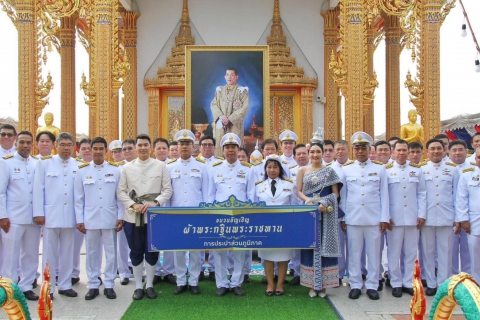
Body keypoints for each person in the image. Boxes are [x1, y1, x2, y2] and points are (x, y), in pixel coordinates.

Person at [117, 134, 173, 300]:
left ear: (150, 147)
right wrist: (133, 204)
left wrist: (155, 203)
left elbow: (167, 190)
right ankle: (139, 286)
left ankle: (149, 285)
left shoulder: (160, 166)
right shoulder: (127, 168)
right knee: (135, 251)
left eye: (145, 145)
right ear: (135, 147)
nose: (142, 148)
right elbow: (121, 191)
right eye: (139, 145)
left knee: (152, 251)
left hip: (154, 216)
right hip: (132, 216)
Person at [33, 132, 83, 299]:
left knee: (68, 252)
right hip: (51, 215)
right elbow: (38, 190)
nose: (66, 148)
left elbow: (80, 194)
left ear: (73, 147)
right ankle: (48, 287)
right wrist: (38, 213)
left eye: (69, 145)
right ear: (56, 146)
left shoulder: (79, 165)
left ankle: (65, 284)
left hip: (70, 216)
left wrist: (80, 217)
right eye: (63, 145)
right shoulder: (45, 163)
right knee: (49, 253)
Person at [341, 132, 390, 300]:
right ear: (353, 150)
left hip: (373, 218)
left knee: (374, 253)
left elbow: (384, 195)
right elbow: (344, 196)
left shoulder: (379, 168)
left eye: (364, 148)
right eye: (357, 148)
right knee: (354, 253)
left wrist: (384, 218)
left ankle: (372, 285)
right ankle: (355, 284)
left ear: (370, 150)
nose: (360, 151)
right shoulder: (346, 169)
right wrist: (343, 218)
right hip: (353, 218)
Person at [74, 137, 123, 300]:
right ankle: (93, 284)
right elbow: (78, 198)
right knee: (92, 253)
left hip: (110, 217)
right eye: (94, 148)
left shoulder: (115, 170)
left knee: (111, 253)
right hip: (90, 218)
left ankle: (109, 284)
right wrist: (79, 219)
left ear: (105, 150)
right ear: (90, 150)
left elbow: (119, 196)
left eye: (101, 148)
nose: (97, 151)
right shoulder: (82, 171)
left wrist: (120, 216)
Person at [207, 133, 255, 297]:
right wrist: (211, 214)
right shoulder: (214, 169)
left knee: (239, 251)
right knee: (219, 251)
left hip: (240, 216)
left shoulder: (248, 169)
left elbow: (251, 195)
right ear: (223, 150)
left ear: (238, 149)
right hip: (220, 215)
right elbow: (210, 195)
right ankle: (221, 283)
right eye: (227, 147)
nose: (230, 150)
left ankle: (236, 282)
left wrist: (249, 213)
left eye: (233, 147)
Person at [296, 142, 342, 298]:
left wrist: (324, 202)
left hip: (326, 212)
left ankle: (323, 287)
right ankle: (311, 285)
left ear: (323, 153)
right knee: (310, 245)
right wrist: (308, 201)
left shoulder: (330, 171)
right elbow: (299, 191)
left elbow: (335, 194)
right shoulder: (302, 170)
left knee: (324, 247)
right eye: (312, 152)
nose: (315, 155)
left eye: (318, 152)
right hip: (309, 212)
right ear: (309, 153)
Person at [167, 129, 208, 295]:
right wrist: (167, 216)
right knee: (179, 249)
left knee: (195, 250)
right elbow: (167, 193)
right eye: (181, 144)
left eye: (187, 144)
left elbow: (206, 193)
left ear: (193, 146)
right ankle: (181, 280)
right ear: (177, 146)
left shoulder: (202, 167)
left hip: (196, 214)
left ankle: (194, 281)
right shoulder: (169, 167)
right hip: (176, 214)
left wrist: (206, 214)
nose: (184, 147)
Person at [0, 131, 40, 301]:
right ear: (16, 144)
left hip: (33, 218)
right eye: (22, 142)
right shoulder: (6, 163)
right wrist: (2, 216)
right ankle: (9, 289)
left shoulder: (37, 164)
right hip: (13, 218)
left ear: (32, 145)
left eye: (28, 142)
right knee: (10, 255)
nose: (25, 145)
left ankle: (26, 286)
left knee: (31, 254)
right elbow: (1, 191)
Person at [385, 139, 426, 298]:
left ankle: (408, 282)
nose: (401, 153)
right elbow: (384, 196)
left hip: (412, 217)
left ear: (408, 152)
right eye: (398, 150)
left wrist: (421, 214)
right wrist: (386, 216)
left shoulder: (417, 170)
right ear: (393, 152)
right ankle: (395, 282)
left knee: (410, 251)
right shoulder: (387, 170)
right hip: (393, 219)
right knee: (394, 252)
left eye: (404, 150)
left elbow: (422, 193)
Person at [421, 138, 461, 296]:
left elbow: (457, 195)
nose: (436, 151)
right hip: (427, 217)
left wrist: (457, 218)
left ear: (444, 150)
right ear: (427, 152)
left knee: (446, 252)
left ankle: (444, 284)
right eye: (432, 149)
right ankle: (430, 282)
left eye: (439, 148)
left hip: (447, 216)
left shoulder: (453, 169)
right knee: (427, 251)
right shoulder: (422, 169)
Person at [254, 155, 295, 296]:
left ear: (280, 169)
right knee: (268, 255)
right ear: (265, 169)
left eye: (275, 167)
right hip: (265, 226)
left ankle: (280, 285)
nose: (272, 170)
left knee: (283, 256)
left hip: (285, 226)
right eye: (269, 167)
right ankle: (270, 285)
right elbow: (254, 207)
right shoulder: (258, 185)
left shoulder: (289, 184)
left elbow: (294, 206)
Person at [152, 137, 177, 285]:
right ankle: (155, 271)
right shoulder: (148, 166)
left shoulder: (173, 166)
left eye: (164, 148)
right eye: (158, 148)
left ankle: (169, 271)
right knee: (153, 240)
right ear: (153, 150)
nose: (161, 150)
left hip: (169, 207)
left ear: (168, 150)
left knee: (169, 240)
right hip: (152, 208)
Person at [448, 140, 473, 276]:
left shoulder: (473, 169)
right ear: (449, 152)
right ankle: (452, 280)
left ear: (466, 151)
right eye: (454, 150)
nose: (457, 153)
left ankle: (468, 279)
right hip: (450, 216)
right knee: (450, 250)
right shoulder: (444, 169)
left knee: (467, 250)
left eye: (460, 149)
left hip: (469, 217)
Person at [210, 67, 249, 156]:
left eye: (232, 75)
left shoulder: (242, 91)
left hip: (235, 124)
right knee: (219, 145)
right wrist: (221, 116)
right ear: (224, 77)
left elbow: (244, 108)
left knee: (234, 145)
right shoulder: (219, 90)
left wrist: (230, 119)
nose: (229, 77)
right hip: (221, 123)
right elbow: (213, 104)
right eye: (227, 75)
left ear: (236, 77)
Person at [109, 139, 132, 286]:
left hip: (135, 208)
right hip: (120, 209)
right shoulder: (113, 169)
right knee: (120, 243)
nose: (119, 154)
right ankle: (123, 271)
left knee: (135, 242)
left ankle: (135, 267)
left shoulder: (132, 166)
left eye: (121, 151)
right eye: (116, 151)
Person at [456, 147, 480, 283]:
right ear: (475, 159)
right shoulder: (467, 175)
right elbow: (462, 199)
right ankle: (477, 284)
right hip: (474, 221)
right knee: (475, 255)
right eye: (479, 157)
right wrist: (463, 219)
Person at [72, 138, 93, 285]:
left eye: (89, 148)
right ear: (78, 151)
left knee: (94, 249)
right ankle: (73, 273)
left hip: (96, 215)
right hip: (78, 214)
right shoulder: (75, 167)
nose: (87, 151)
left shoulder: (105, 168)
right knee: (75, 246)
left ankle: (95, 275)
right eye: (83, 148)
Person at [288, 144, 310, 285]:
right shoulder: (288, 171)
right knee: (296, 245)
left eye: (304, 153)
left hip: (310, 211)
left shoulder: (314, 170)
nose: (301, 156)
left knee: (310, 243)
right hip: (294, 211)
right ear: (294, 157)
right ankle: (297, 272)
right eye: (298, 154)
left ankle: (309, 272)